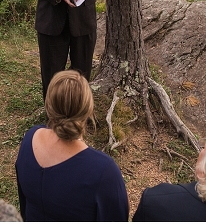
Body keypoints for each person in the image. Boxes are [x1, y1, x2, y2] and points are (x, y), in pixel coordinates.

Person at [15, 70, 128, 221]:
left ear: (48, 106)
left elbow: (24, 206)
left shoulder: (30, 138)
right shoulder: (103, 171)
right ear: (88, 110)